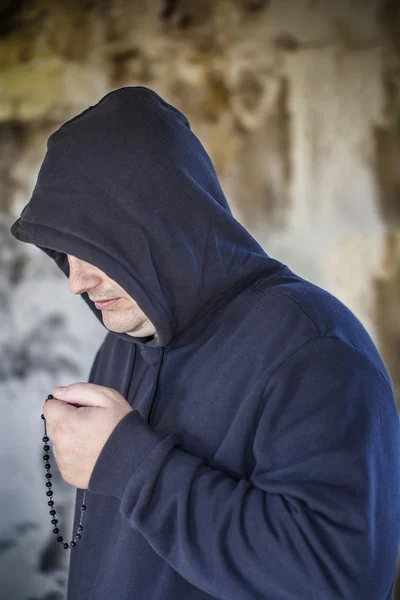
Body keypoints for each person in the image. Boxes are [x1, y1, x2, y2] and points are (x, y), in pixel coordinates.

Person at [10, 86, 400, 600]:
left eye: (93, 248)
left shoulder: (315, 348)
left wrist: (129, 466)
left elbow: (334, 579)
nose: (76, 281)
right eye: (64, 252)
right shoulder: (124, 338)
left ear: (156, 224)